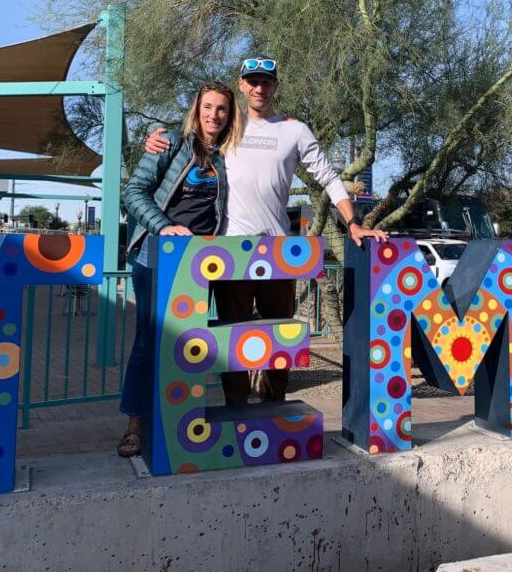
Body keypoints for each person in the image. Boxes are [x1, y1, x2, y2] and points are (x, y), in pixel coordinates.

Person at [145, 54, 387, 404]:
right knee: (231, 339)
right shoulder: (227, 125)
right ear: (242, 86)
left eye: (266, 82)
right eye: (253, 81)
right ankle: (236, 407)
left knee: (281, 335)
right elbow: (191, 133)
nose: (259, 88)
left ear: (275, 87)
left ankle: (275, 406)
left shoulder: (294, 130)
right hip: (230, 250)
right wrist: (156, 138)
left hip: (277, 251)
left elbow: (329, 178)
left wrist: (353, 223)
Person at [117, 81, 244, 458]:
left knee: (188, 344)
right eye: (208, 107)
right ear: (196, 109)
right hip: (157, 255)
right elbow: (133, 192)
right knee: (148, 340)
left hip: (199, 264)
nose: (214, 115)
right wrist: (164, 226)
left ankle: (176, 424)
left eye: (221, 109)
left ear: (230, 115)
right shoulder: (171, 142)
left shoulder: (227, 156)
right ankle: (135, 426)